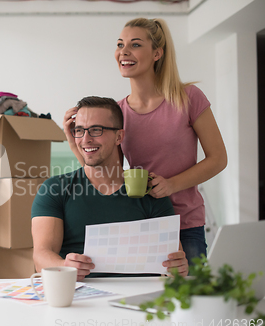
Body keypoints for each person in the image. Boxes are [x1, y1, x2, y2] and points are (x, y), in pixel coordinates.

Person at [63, 18, 227, 266]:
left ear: (157, 53)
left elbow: (218, 159)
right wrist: (73, 141)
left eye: (135, 45)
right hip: (139, 225)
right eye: (120, 44)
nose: (123, 52)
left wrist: (171, 185)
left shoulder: (188, 98)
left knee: (190, 299)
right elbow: (107, 173)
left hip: (185, 222)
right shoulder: (117, 113)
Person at [32, 96, 188, 281]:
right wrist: (64, 266)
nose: (86, 139)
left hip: (139, 298)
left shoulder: (149, 191)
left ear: (119, 136)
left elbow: (174, 257)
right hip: (82, 295)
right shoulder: (55, 188)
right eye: (79, 131)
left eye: (96, 130)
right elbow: (41, 256)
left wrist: (179, 265)